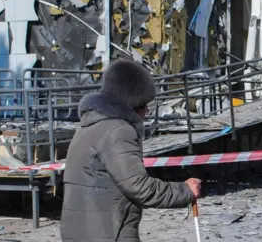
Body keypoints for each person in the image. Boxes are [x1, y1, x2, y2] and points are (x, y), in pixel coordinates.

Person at [61, 59, 201, 242]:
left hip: (79, 232)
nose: (147, 110)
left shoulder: (87, 127)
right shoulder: (119, 131)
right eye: (144, 104)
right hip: (110, 233)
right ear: (133, 103)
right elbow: (139, 186)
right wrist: (185, 191)